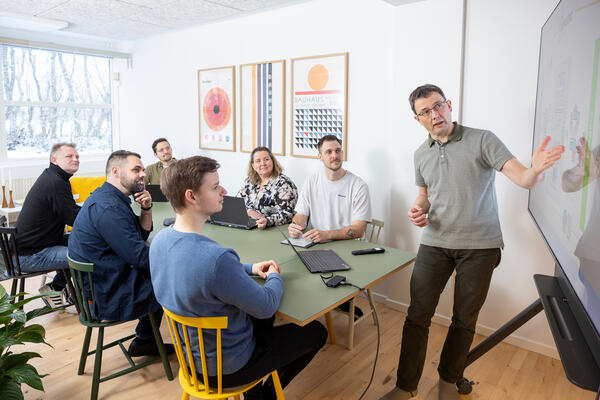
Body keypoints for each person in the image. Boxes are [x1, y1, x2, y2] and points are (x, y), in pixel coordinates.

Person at [380, 84, 565, 400]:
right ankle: (405, 386)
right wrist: (418, 209)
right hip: (435, 242)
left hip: (480, 247)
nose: (435, 114)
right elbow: (424, 195)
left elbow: (522, 177)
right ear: (417, 119)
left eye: (438, 106)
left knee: (464, 319)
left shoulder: (482, 139)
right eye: (426, 111)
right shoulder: (420, 154)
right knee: (417, 315)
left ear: (449, 105)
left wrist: (534, 170)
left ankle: (448, 381)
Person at [150, 156, 327, 400]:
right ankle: (265, 395)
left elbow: (204, 272)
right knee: (316, 332)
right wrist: (274, 276)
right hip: (227, 369)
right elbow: (266, 305)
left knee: (259, 318)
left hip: (190, 359)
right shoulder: (217, 259)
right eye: (215, 187)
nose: (223, 191)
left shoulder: (160, 241)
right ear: (191, 196)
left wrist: (250, 268)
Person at [68, 150, 174, 357]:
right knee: (173, 280)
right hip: (105, 293)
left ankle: (145, 339)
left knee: (164, 272)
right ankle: (192, 349)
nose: (143, 174)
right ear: (116, 172)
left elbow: (141, 234)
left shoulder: (110, 198)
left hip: (104, 279)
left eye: (142, 169)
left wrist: (146, 208)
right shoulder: (108, 208)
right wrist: (177, 260)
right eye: (136, 170)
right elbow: (140, 258)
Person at [288, 134, 371, 317]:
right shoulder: (312, 181)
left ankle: (337, 300)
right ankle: (321, 303)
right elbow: (301, 216)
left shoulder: (358, 185)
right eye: (329, 152)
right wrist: (295, 225)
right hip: (318, 246)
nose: (335, 155)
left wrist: (327, 235)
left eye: (338, 150)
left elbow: (359, 230)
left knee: (314, 276)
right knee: (290, 267)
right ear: (320, 156)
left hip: (349, 249)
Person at [15, 143, 81, 308]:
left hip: (32, 248)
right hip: (30, 255)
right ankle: (88, 301)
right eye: (69, 156)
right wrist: (99, 215)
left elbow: (71, 213)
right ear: (54, 160)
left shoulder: (53, 177)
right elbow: (73, 218)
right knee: (87, 253)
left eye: (77, 156)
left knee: (83, 241)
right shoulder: (55, 182)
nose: (75, 159)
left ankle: (56, 287)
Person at [237, 146, 298, 229]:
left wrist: (267, 220)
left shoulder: (284, 184)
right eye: (258, 161)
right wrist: (249, 211)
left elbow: (287, 215)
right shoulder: (250, 181)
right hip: (251, 226)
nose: (263, 163)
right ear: (253, 166)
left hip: (275, 229)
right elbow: (237, 203)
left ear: (272, 161)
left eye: (266, 159)